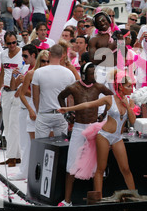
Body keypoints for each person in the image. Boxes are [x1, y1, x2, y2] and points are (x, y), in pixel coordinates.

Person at [57, 70, 137, 199]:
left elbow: (133, 121)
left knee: (125, 169)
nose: (131, 88)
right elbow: (88, 104)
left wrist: (127, 106)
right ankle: (98, 198)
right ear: (120, 87)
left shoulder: (130, 101)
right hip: (104, 135)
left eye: (132, 85)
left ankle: (135, 197)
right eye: (128, 86)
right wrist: (67, 109)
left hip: (117, 137)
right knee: (100, 169)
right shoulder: (109, 99)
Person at [57, 62, 113, 206]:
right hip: (78, 128)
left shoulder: (98, 86)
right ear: (83, 75)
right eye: (91, 73)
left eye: (95, 73)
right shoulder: (74, 87)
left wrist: (104, 115)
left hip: (94, 128)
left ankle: (96, 201)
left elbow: (112, 97)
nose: (94, 76)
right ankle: (67, 200)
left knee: (96, 167)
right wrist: (68, 113)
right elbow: (61, 96)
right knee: (71, 165)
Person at [8, 44, 40, 181]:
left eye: (25, 56)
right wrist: (15, 77)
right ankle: (25, 171)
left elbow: (36, 93)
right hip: (22, 109)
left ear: (34, 55)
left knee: (30, 144)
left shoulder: (37, 71)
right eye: (22, 56)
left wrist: (23, 85)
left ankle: (27, 172)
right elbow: (13, 88)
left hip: (32, 109)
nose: (23, 58)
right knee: (23, 143)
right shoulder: (25, 68)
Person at [32, 44, 76, 139]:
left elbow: (35, 95)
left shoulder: (38, 72)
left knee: (40, 144)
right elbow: (71, 97)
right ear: (62, 56)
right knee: (60, 146)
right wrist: (69, 112)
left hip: (44, 113)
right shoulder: (69, 73)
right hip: (61, 114)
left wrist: (38, 111)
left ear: (50, 54)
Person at [0, 31, 23, 167]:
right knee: (7, 124)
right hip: (5, 91)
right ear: (5, 43)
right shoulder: (3, 54)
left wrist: (22, 90)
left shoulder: (22, 53)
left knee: (14, 124)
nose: (12, 45)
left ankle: (12, 156)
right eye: (9, 43)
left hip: (17, 92)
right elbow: (2, 73)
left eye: (14, 42)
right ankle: (15, 155)